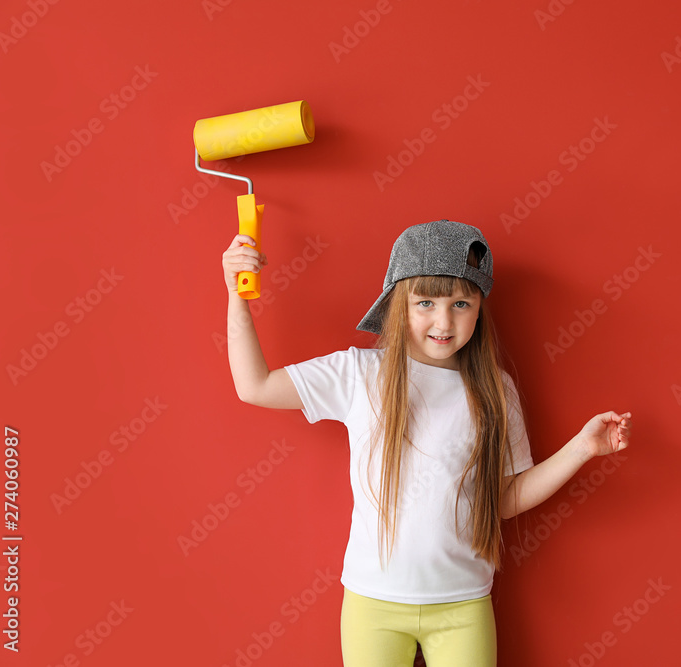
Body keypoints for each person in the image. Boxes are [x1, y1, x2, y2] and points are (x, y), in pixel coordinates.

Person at [222, 219, 633, 667]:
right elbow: (254, 385)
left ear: (479, 308)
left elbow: (503, 499)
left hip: (463, 604)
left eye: (461, 302)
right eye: (425, 302)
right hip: (372, 604)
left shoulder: (496, 390)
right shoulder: (359, 374)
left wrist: (582, 449)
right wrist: (236, 296)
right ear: (399, 305)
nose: (444, 321)